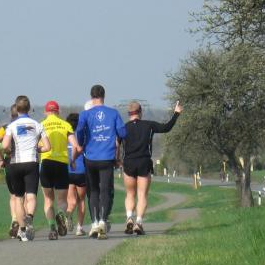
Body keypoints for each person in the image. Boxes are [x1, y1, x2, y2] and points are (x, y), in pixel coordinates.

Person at [73, 84, 126, 239]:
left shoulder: (85, 114)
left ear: (91, 97)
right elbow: (123, 132)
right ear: (104, 96)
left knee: (93, 191)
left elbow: (79, 131)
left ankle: (95, 223)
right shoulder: (113, 113)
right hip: (107, 157)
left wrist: (81, 142)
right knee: (105, 190)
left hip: (90, 157)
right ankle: (103, 221)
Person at [122, 100, 183, 235]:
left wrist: (116, 160)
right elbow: (166, 127)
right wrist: (176, 114)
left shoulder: (123, 127)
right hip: (144, 162)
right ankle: (138, 223)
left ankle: (129, 218)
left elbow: (116, 143)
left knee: (130, 194)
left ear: (129, 114)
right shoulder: (149, 125)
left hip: (129, 163)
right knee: (142, 195)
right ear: (140, 112)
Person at [1, 95, 50, 241]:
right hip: (31, 163)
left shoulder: (11, 126)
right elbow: (48, 147)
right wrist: (38, 149)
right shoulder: (37, 125)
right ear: (29, 108)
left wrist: (9, 151)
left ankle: (22, 231)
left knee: (18, 198)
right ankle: (30, 216)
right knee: (31, 196)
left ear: (16, 108)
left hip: (15, 164)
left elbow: (4, 145)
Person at [40, 101, 79, 240]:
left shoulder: (41, 125)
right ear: (58, 111)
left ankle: (52, 229)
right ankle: (61, 213)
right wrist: (72, 161)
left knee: (48, 200)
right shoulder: (66, 125)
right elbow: (75, 146)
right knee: (62, 200)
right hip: (61, 164)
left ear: (45, 112)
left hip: (46, 163)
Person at [0, 105, 20, 238]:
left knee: (13, 195)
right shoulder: (26, 126)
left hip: (9, 163)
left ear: (10, 115)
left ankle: (14, 219)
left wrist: (0, 159)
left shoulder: (5, 128)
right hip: (25, 162)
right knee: (25, 196)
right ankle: (23, 224)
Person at [65, 112, 87, 236]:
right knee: (81, 200)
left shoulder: (65, 136)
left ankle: (68, 214)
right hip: (80, 170)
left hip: (68, 171)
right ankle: (79, 228)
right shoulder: (81, 136)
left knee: (71, 201)